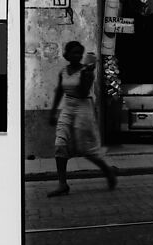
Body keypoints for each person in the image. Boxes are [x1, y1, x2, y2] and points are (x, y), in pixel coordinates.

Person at [48, 40, 117, 197]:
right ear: (67, 55)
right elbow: (60, 91)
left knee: (85, 148)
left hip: (83, 107)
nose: (77, 55)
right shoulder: (63, 72)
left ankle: (107, 170)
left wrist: (87, 74)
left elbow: (82, 92)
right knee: (60, 144)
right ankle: (62, 184)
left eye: (80, 53)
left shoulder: (86, 71)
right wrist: (52, 112)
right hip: (68, 107)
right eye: (74, 52)